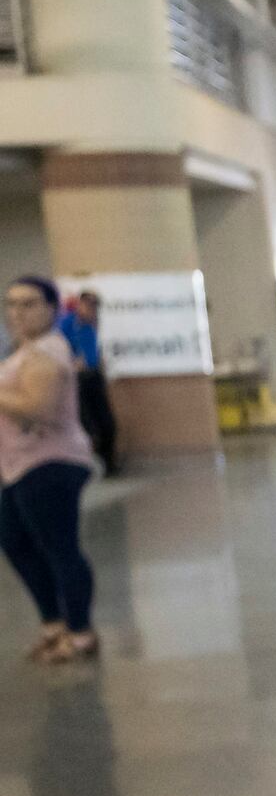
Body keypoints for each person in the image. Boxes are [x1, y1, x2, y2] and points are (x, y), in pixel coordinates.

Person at [2, 275, 102, 664]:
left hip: (49, 463)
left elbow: (37, 408)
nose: (17, 313)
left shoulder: (48, 352)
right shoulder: (23, 351)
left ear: (51, 308)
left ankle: (80, 632)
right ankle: (53, 624)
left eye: (28, 304)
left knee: (60, 548)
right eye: (11, 304)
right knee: (16, 542)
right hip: (17, 465)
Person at [58, 287, 115, 477]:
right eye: (89, 305)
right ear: (80, 304)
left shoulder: (91, 324)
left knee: (107, 423)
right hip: (77, 380)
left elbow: (93, 349)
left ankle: (109, 464)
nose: (92, 310)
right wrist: (72, 364)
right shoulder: (66, 324)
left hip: (93, 376)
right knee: (86, 424)